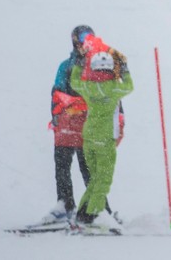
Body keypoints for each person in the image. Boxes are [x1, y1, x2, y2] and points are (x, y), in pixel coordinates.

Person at [43, 25, 124, 225]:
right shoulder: (67, 66)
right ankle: (65, 204)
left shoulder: (99, 65)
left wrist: (118, 119)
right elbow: (57, 91)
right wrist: (57, 115)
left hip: (90, 126)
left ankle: (99, 209)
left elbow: (112, 94)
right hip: (68, 124)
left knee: (89, 168)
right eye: (81, 41)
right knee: (61, 163)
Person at [70, 31, 134, 226]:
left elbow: (74, 82)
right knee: (103, 181)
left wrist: (80, 64)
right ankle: (93, 216)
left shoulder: (88, 87)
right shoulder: (114, 88)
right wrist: (124, 69)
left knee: (95, 180)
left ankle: (82, 213)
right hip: (105, 140)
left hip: (88, 138)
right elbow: (129, 86)